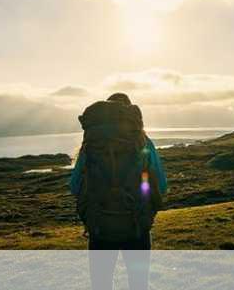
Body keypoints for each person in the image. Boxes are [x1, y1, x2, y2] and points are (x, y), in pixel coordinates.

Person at [69, 93, 167, 290]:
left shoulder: (92, 145)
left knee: (101, 284)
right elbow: (162, 185)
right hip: (136, 225)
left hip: (100, 227)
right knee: (138, 284)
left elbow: (74, 185)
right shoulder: (142, 142)